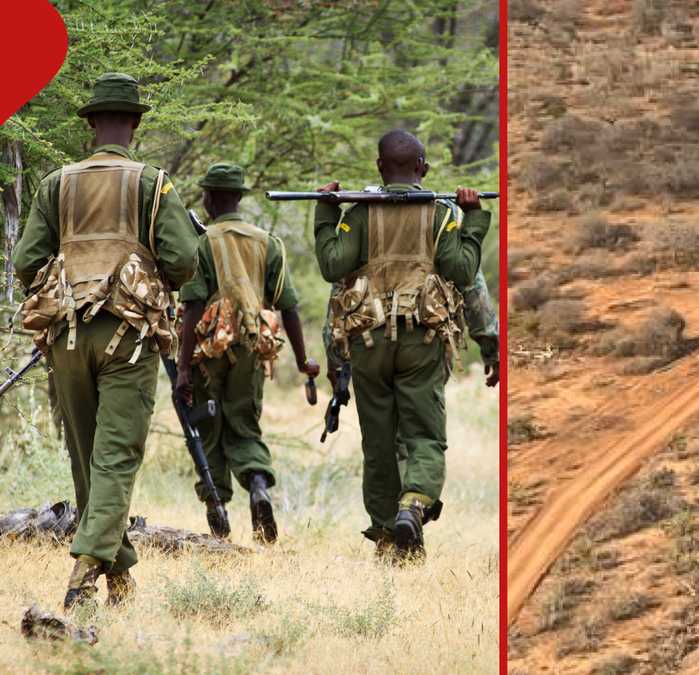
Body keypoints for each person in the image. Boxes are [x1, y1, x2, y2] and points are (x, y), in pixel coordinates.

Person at [13, 73, 198, 609]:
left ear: (91, 124)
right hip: (129, 338)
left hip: (66, 335)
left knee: (87, 454)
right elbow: (184, 260)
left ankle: (117, 571)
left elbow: (27, 261)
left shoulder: (58, 183)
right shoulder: (152, 181)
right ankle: (86, 568)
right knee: (116, 456)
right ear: (135, 125)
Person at [313, 129, 492, 561]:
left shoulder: (357, 215)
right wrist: (475, 220)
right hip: (423, 341)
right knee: (424, 439)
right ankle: (414, 505)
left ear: (378, 168)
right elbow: (464, 274)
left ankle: (389, 539)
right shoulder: (441, 215)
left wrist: (324, 213)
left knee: (379, 447)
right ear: (423, 169)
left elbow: (335, 271)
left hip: (369, 343)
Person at [173, 163, 319, 544]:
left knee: (208, 427)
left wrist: (184, 367)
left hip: (208, 349)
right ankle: (257, 485)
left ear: (209, 198)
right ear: (238, 197)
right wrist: (303, 362)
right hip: (253, 346)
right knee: (245, 423)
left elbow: (190, 307)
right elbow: (288, 306)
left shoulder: (202, 243)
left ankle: (217, 508)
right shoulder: (268, 241)